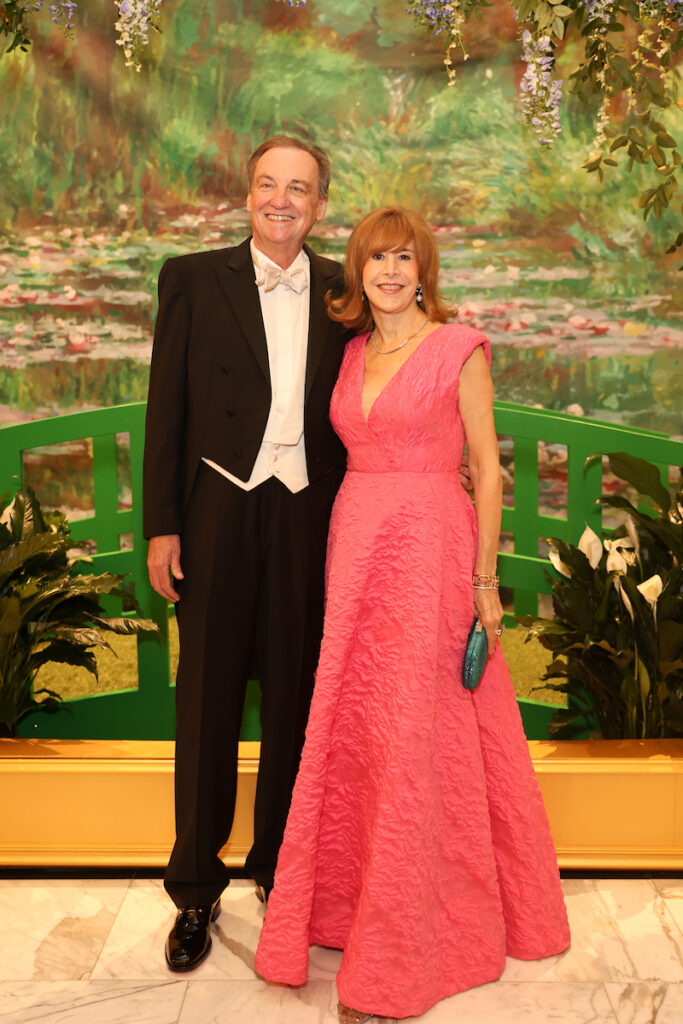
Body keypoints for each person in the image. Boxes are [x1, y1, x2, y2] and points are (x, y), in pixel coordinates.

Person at [254, 207, 570, 1022]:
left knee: (420, 721)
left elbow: (487, 471)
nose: (389, 271)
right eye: (374, 258)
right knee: (357, 718)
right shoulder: (354, 352)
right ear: (355, 272)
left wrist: (482, 580)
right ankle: (345, 908)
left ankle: (421, 931)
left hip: (431, 548)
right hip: (356, 545)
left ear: (422, 268)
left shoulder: (458, 346)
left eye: (403, 257)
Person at [143, 136, 351, 972]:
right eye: (268, 184)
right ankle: (196, 891)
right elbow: (166, 409)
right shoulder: (192, 278)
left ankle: (280, 874)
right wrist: (162, 523)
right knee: (207, 705)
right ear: (248, 193)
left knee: (296, 706)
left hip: (306, 517)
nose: (281, 200)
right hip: (218, 512)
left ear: (319, 204)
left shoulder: (346, 286)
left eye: (297, 189)